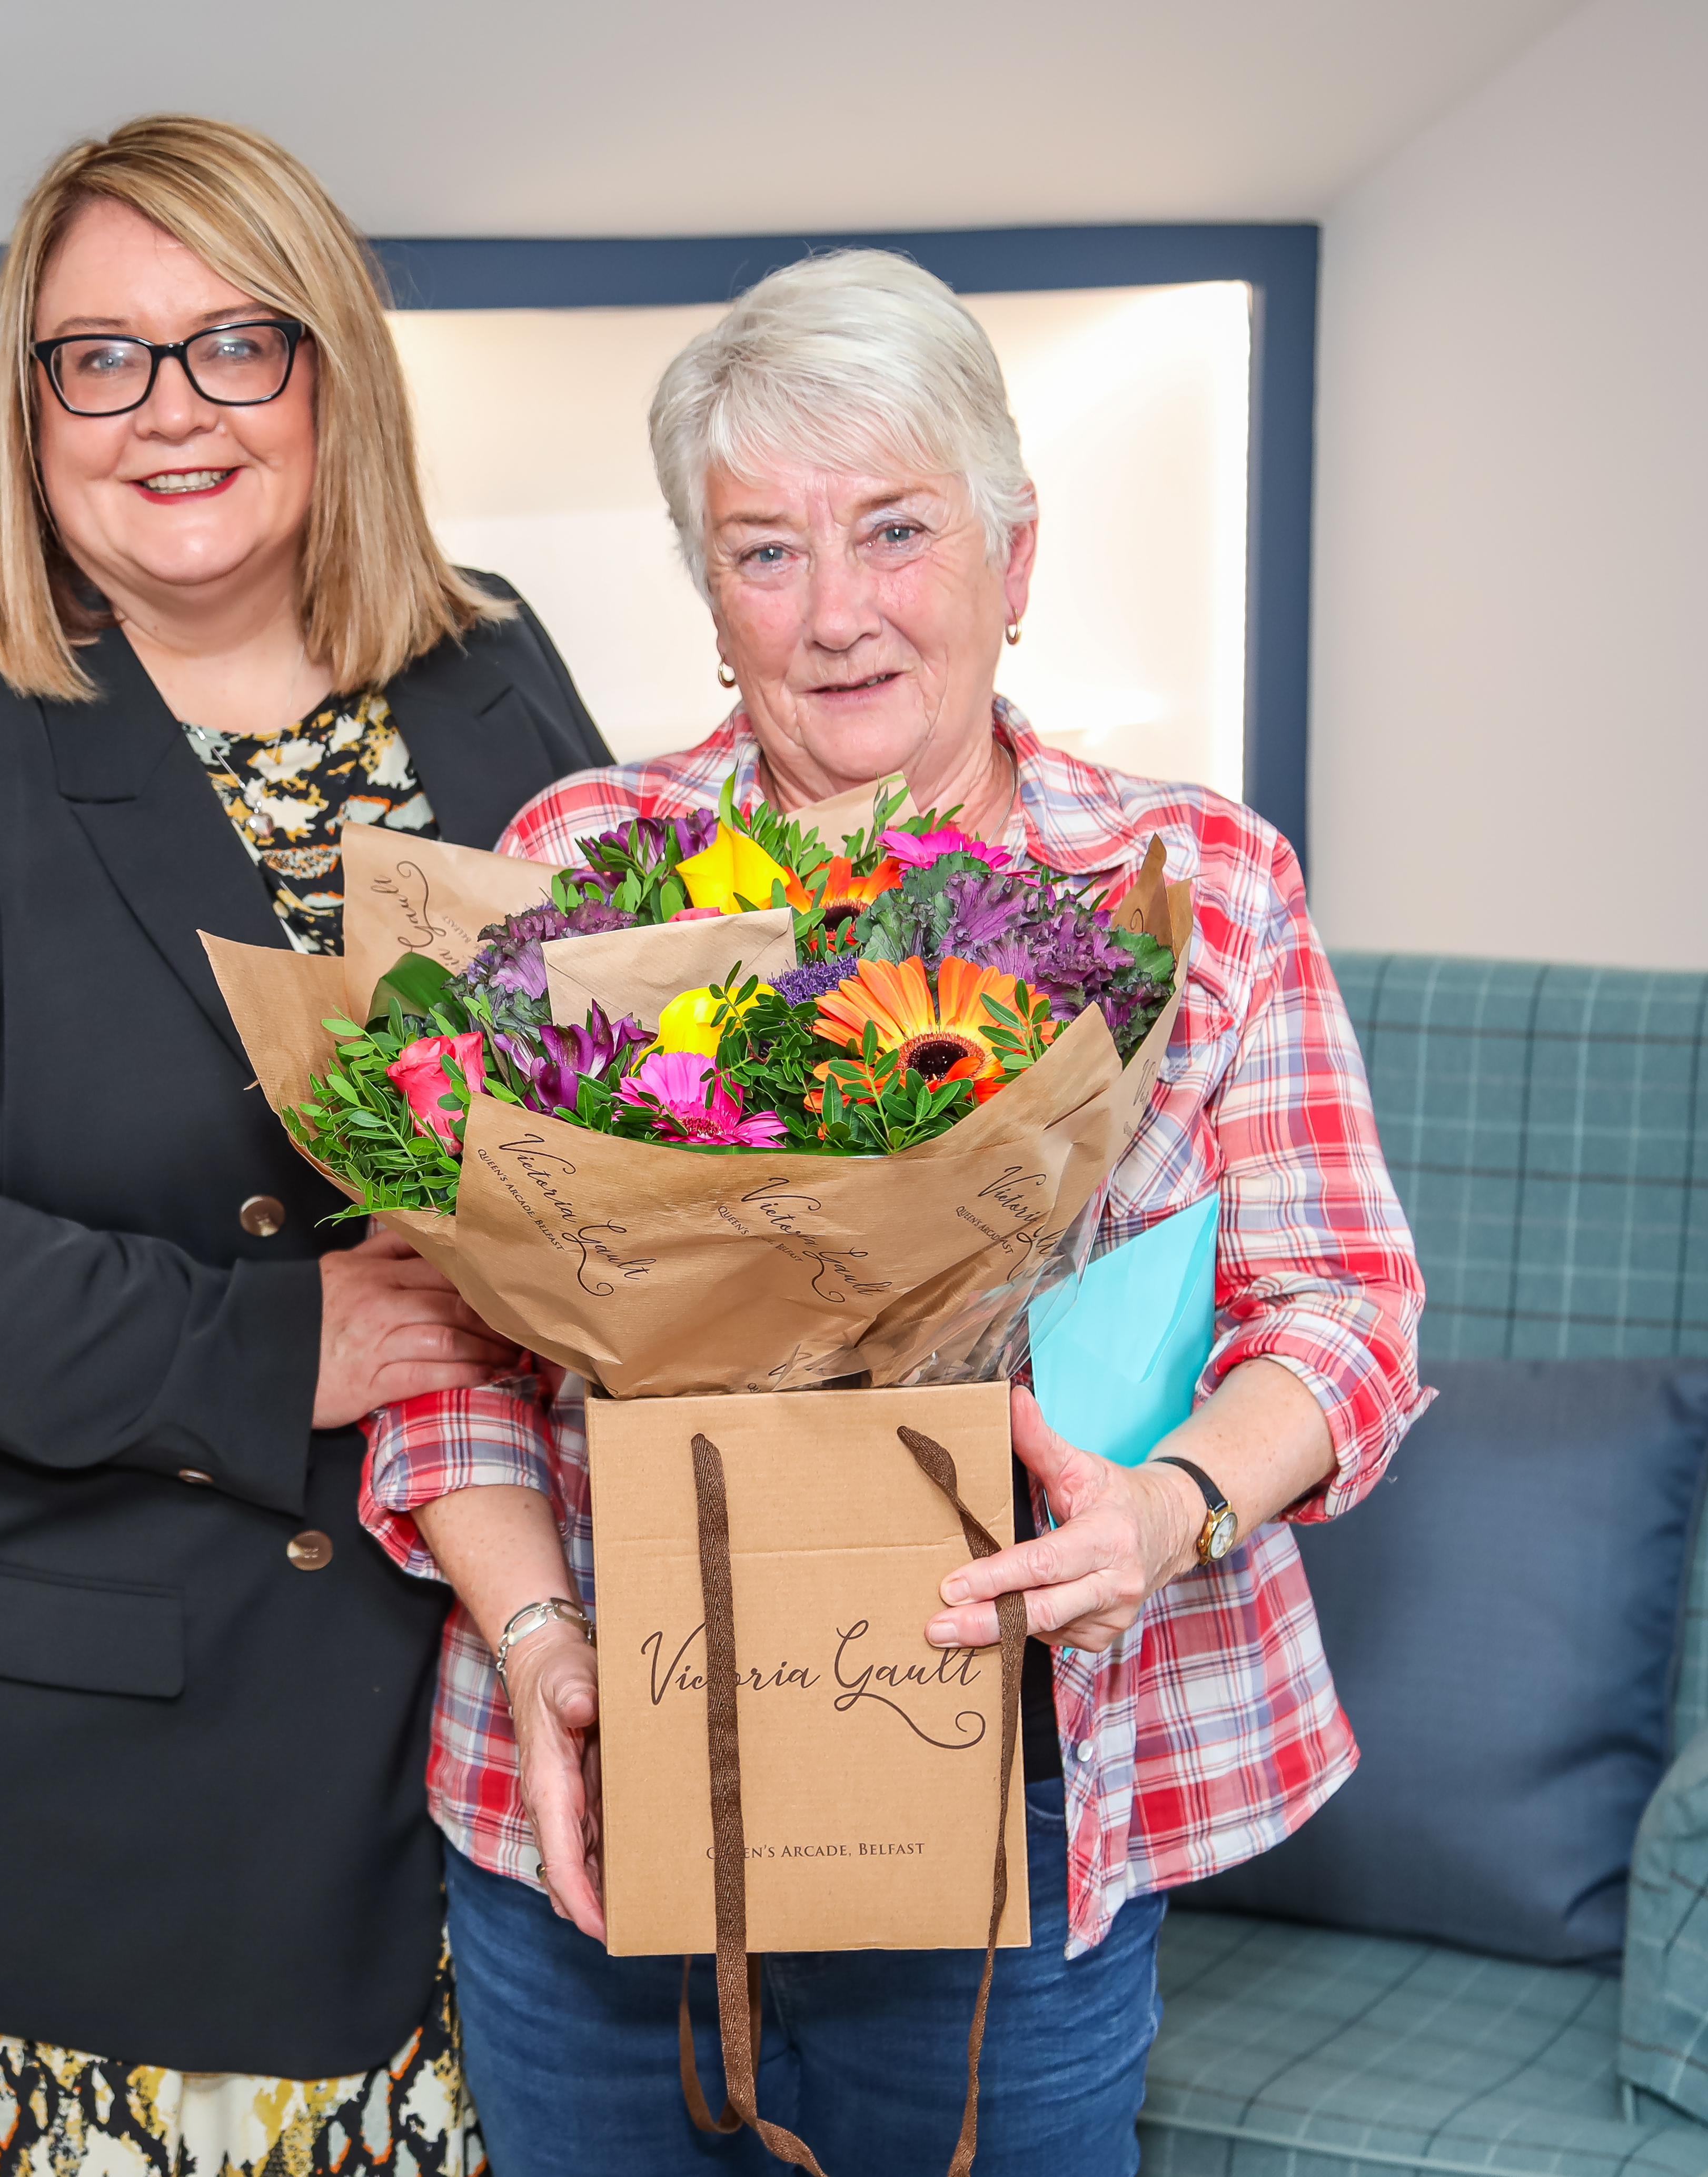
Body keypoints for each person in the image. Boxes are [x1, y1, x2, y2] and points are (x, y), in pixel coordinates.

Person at [358, 251, 1431, 2175]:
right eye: (762, 552)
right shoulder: (575, 872)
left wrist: (1166, 1515)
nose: (836, 612)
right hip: (598, 1789)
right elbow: (448, 1355)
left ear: (1014, 561)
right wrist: (540, 1649)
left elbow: (1339, 1312)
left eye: (895, 530)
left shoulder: (1199, 884)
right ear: (707, 598)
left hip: (1033, 1803)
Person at [0, 116, 610, 2177]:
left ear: (334, 377)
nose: (167, 411)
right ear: (32, 406)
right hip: (90, 1784)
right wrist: (285, 1343)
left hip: (479, 1744)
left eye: (233, 348)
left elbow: (621, 1083)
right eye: (100, 357)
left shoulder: (486, 666)